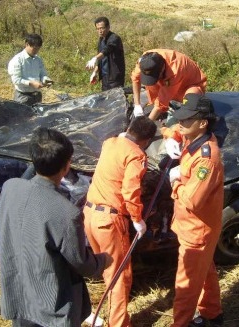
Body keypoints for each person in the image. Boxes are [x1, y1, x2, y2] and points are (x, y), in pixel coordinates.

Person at [0, 127, 112, 327]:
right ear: (67, 166)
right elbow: (81, 263)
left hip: (20, 295)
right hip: (51, 305)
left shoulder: (10, 188)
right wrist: (103, 260)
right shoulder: (67, 213)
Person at [83, 116, 157, 327]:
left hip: (90, 215)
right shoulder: (136, 155)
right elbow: (130, 191)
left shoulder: (110, 143)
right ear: (146, 141)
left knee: (108, 271)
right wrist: (137, 219)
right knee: (119, 277)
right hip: (110, 221)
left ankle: (111, 314)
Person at [163, 94, 224, 327]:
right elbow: (171, 129)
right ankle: (212, 313)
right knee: (205, 270)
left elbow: (193, 200)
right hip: (190, 227)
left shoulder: (207, 160)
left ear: (203, 123)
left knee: (186, 285)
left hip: (197, 231)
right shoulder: (193, 136)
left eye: (186, 120)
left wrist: (175, 181)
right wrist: (170, 136)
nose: (181, 123)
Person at [130, 49, 207, 121]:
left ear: (162, 68)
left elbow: (161, 103)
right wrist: (137, 105)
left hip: (188, 84)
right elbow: (135, 79)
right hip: (170, 83)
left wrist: (146, 126)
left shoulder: (175, 70)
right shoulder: (144, 61)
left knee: (191, 99)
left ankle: (179, 110)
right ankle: (162, 110)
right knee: (151, 85)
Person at [7, 33, 53, 106]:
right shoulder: (17, 60)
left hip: (37, 96)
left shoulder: (38, 60)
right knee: (22, 117)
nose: (36, 51)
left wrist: (46, 80)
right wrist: (31, 83)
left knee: (37, 117)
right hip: (23, 97)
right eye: (34, 48)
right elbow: (16, 79)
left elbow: (42, 74)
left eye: (38, 48)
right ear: (27, 44)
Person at [85, 17, 126, 91]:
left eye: (102, 28)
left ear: (108, 27)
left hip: (115, 78)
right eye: (97, 29)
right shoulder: (101, 39)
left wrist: (95, 58)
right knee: (105, 99)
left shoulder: (114, 38)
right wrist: (95, 72)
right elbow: (101, 58)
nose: (100, 31)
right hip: (104, 77)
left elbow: (108, 49)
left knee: (116, 99)